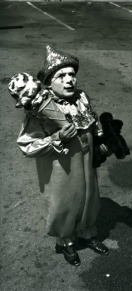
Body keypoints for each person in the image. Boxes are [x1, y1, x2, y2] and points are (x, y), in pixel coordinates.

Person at [16, 45, 109, 266]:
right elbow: (27, 144)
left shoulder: (81, 98)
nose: (69, 80)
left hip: (86, 160)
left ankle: (86, 232)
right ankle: (66, 241)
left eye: (72, 74)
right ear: (48, 83)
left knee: (88, 197)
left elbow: (91, 121)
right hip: (61, 167)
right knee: (64, 202)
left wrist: (101, 141)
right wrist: (56, 137)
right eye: (61, 76)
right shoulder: (39, 110)